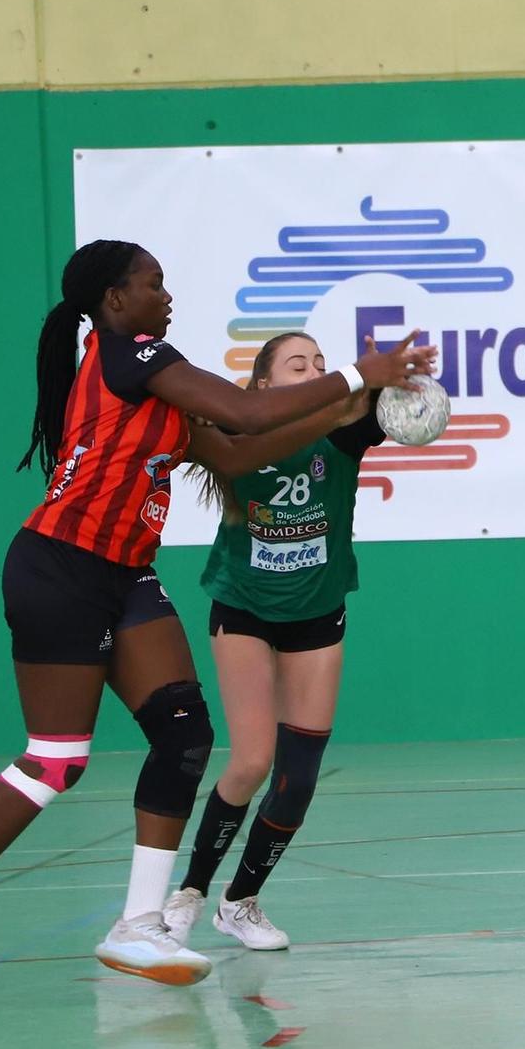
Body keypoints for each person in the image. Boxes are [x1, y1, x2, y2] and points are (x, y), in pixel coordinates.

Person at [0, 240, 431, 997]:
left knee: (184, 735)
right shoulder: (130, 352)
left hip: (125, 573)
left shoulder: (152, 388)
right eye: (151, 283)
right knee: (56, 760)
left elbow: (239, 453)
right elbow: (244, 407)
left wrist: (349, 413)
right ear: (115, 299)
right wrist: (356, 375)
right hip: (59, 565)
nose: (164, 295)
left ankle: (139, 924)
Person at [162, 332, 390, 951]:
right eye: (298, 364)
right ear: (262, 386)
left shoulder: (342, 430)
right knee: (252, 760)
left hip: (317, 614)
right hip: (244, 609)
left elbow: (386, 405)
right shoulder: (235, 437)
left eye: (321, 363)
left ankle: (241, 903)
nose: (315, 370)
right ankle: (190, 890)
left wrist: (400, 381)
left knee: (298, 778)